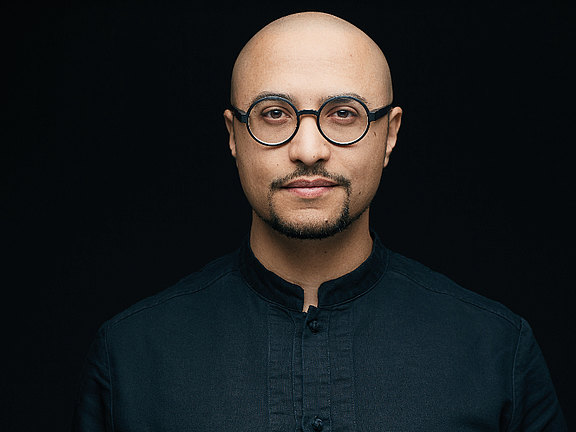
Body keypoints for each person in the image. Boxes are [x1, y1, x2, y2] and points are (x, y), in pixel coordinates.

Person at [72, 11, 566, 432]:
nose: (308, 150)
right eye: (273, 114)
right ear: (233, 136)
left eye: (344, 114)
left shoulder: (496, 350)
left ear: (390, 134)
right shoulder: (131, 356)